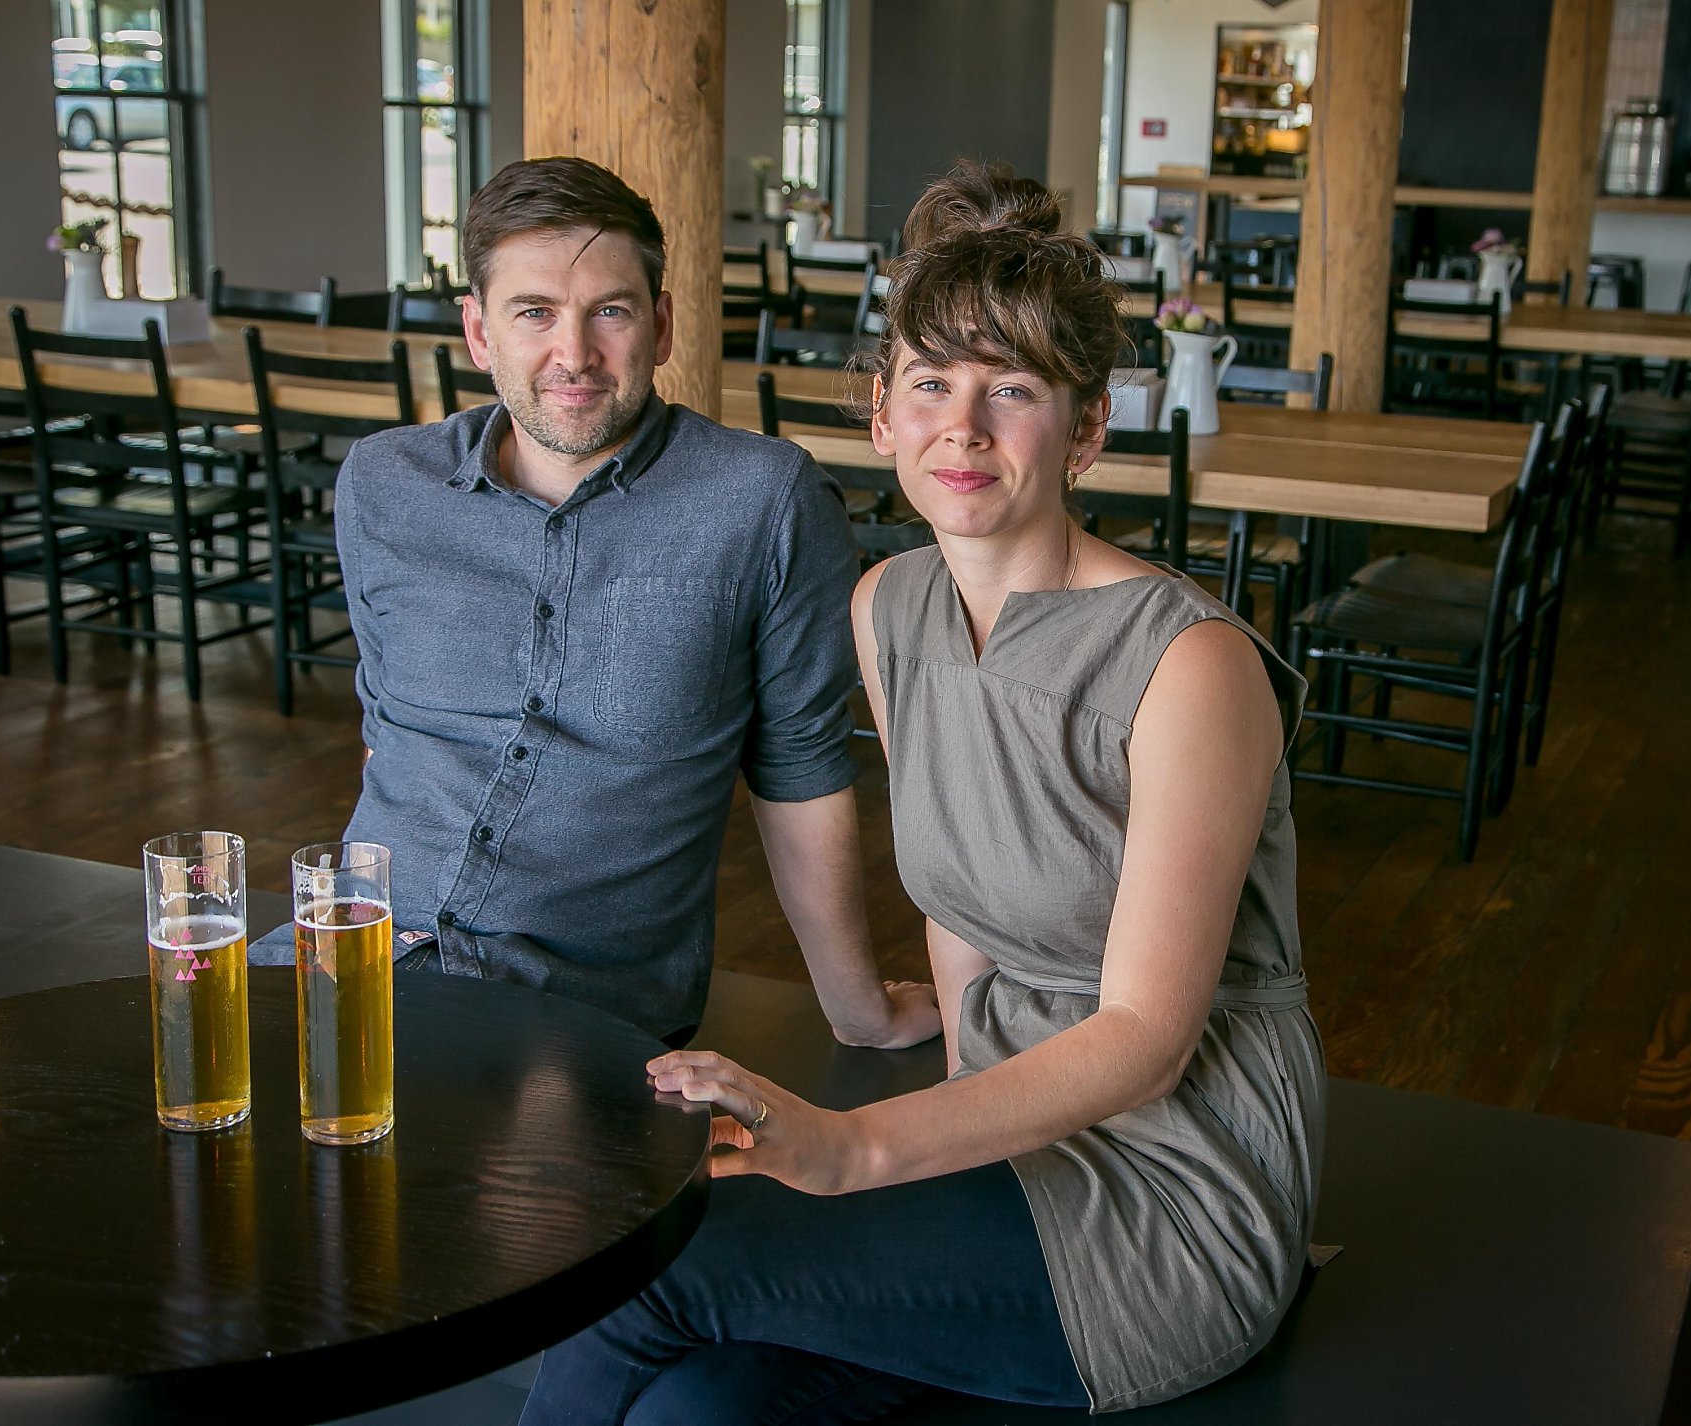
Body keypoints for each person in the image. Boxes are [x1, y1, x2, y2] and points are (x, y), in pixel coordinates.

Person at [518, 162, 1325, 1422]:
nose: (965, 426)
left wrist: (858, 1150)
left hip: (1167, 1198)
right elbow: (959, 905)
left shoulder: (1189, 664)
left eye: (1012, 390)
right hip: (998, 1143)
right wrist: (939, 1122)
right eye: (932, 384)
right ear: (881, 415)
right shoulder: (888, 607)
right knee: (700, 1408)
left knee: (639, 1272)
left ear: (1087, 427)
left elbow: (1145, 1043)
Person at [308, 156, 936, 1053]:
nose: (575, 356)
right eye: (534, 314)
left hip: (577, 1009)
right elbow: (388, 726)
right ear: (479, 333)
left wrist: (858, 1009)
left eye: (610, 310)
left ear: (663, 324)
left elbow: (800, 768)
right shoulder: (381, 483)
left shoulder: (766, 502)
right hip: (340, 953)